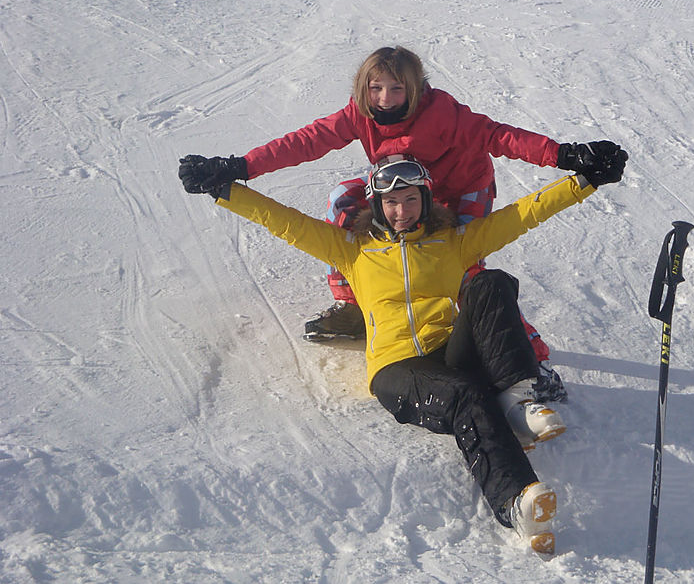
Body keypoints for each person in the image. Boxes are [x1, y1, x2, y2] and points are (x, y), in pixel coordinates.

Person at [178, 146, 628, 554]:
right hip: (398, 367)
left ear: (426, 201)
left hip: (449, 349)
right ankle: (516, 502)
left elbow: (524, 214)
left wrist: (585, 181)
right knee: (467, 395)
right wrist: (223, 189)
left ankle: (517, 399)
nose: (401, 210)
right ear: (376, 204)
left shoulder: (452, 242)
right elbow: (285, 222)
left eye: (411, 200)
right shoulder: (352, 250)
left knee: (491, 283)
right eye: (391, 202)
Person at [177, 45, 617, 403]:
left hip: (459, 189)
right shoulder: (359, 115)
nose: (385, 98)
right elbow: (305, 142)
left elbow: (500, 137)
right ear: (364, 89)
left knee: (463, 265)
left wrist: (565, 155)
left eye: (396, 89)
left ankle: (529, 357)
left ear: (417, 88)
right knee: (341, 202)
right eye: (376, 88)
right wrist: (238, 166)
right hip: (401, 188)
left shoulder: (444, 113)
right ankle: (356, 304)